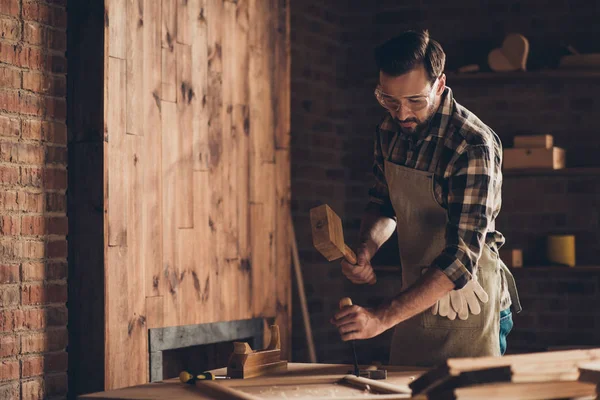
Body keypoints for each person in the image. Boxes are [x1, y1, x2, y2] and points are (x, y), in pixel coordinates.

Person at [330, 30, 521, 367]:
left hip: (469, 296)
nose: (401, 114)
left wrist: (381, 318)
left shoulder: (472, 145)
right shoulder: (388, 131)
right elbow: (384, 205)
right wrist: (366, 248)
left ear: (440, 84)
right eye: (389, 100)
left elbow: (461, 259)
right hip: (417, 296)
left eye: (415, 101)